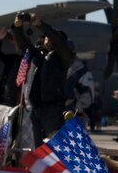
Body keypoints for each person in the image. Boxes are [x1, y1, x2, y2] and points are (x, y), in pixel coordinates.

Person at [12, 12, 75, 147]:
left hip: (52, 109)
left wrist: (41, 25)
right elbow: (23, 44)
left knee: (55, 146)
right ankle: (39, 169)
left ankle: (57, 168)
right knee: (38, 147)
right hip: (35, 108)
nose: (47, 39)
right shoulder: (37, 55)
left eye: (50, 37)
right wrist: (17, 27)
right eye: (46, 37)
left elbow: (58, 42)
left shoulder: (63, 57)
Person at [0, 27, 23, 106]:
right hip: (5, 98)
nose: (15, 44)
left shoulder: (29, 59)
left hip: (19, 100)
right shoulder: (13, 59)